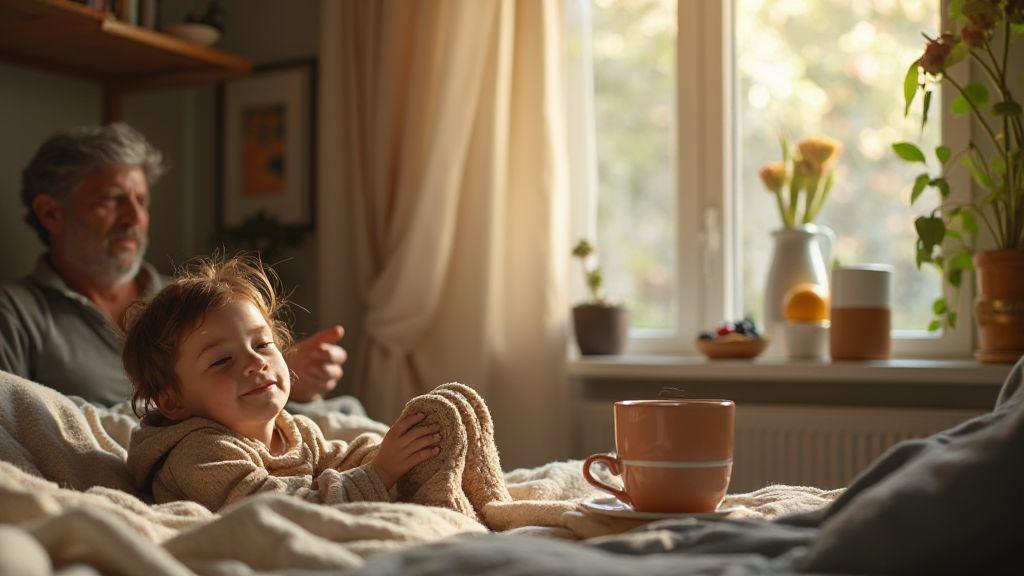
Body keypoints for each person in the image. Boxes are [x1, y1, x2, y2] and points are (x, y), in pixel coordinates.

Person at [123, 253, 510, 519]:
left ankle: (487, 504)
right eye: (222, 360)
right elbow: (283, 511)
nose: (256, 362)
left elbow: (342, 459)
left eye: (262, 344)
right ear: (172, 400)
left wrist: (401, 452)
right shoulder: (200, 454)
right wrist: (381, 472)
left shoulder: (294, 430)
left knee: (450, 409)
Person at [0, 123, 346, 406]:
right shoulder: (16, 313)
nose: (134, 218)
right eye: (111, 201)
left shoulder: (189, 298)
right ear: (50, 213)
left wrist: (292, 381)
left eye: (141, 201)